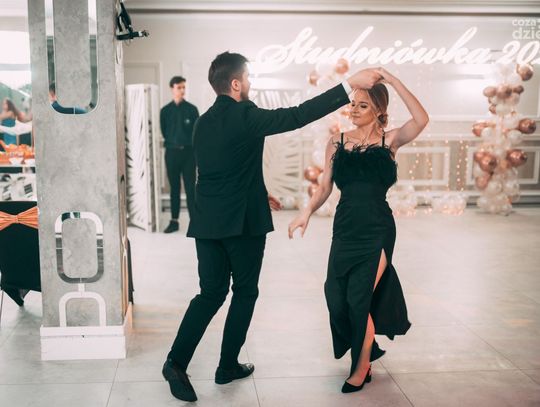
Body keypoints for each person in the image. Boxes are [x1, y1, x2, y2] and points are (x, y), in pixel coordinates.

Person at [161, 51, 383, 402]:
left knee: (210, 294)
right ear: (236, 84)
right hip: (243, 225)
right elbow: (297, 115)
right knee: (244, 292)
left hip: (208, 223)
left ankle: (175, 363)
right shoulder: (246, 115)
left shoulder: (203, 121)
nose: (251, 83)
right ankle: (227, 365)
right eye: (248, 78)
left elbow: (219, 168)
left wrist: (258, 193)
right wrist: (349, 85)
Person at [289, 67, 428, 394]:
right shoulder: (337, 142)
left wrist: (393, 81)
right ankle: (368, 346)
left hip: (378, 228)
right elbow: (325, 187)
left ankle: (360, 366)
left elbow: (421, 119)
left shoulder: (390, 141)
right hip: (345, 227)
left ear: (379, 110)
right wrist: (305, 212)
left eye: (362, 105)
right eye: (352, 104)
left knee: (359, 297)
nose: (352, 109)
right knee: (335, 295)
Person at [160, 76, 199, 233]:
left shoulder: (192, 109)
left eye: (184, 87)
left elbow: (196, 133)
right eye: (179, 87)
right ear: (172, 88)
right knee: (174, 188)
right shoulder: (165, 111)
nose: (182, 90)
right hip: (171, 153)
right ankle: (174, 221)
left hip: (189, 154)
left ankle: (195, 222)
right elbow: (164, 131)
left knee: (190, 188)